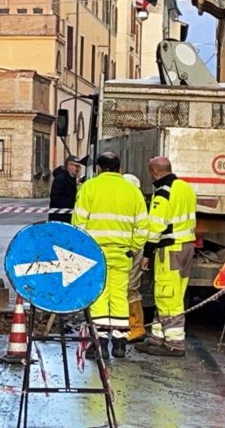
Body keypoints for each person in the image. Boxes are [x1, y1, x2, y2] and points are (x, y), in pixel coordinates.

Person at [72, 152, 148, 359]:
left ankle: (100, 345)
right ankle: (120, 343)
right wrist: (134, 248)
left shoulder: (89, 187)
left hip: (96, 253)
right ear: (119, 168)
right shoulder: (132, 191)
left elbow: (79, 223)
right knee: (120, 296)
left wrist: (83, 249)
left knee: (99, 296)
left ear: (99, 168)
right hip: (123, 254)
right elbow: (143, 226)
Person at [135, 156, 197, 357]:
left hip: (170, 249)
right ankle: (157, 338)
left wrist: (147, 253)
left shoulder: (163, 191)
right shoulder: (185, 188)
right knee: (173, 294)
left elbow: (156, 226)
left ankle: (174, 343)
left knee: (167, 295)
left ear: (153, 172)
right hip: (187, 246)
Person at [123, 173, 148, 343]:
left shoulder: (134, 203)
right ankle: (130, 326)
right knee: (126, 289)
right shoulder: (135, 202)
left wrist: (133, 250)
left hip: (131, 250)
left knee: (130, 288)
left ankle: (136, 327)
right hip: (128, 250)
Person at [49, 155, 83, 223]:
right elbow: (55, 198)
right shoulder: (61, 178)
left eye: (79, 166)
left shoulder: (72, 178)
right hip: (60, 218)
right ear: (69, 165)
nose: (78, 169)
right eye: (76, 166)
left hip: (68, 217)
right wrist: (71, 205)